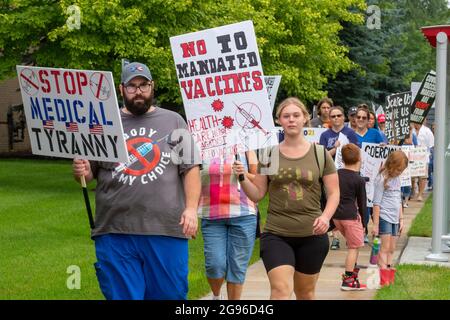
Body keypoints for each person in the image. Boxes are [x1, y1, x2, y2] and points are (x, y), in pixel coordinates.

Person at [72, 62, 201, 300]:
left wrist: (192, 209)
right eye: (132, 86)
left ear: (152, 87)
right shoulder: (103, 123)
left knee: (170, 295)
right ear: (122, 90)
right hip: (114, 229)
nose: (138, 91)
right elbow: (88, 174)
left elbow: (191, 168)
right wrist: (82, 169)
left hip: (166, 228)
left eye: (143, 85)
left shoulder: (174, 121)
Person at [233, 97, 339, 300]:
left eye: (296, 115)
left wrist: (325, 217)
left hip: (312, 235)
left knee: (305, 293)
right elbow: (257, 194)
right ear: (279, 120)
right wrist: (241, 176)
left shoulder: (320, 153)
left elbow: (334, 193)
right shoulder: (269, 154)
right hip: (276, 235)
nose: (291, 120)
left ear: (305, 118)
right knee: (280, 291)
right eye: (286, 116)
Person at [198, 151, 258, 300]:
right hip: (211, 213)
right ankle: (217, 296)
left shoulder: (246, 146)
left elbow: (258, 181)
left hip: (243, 213)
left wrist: (243, 172)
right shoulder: (203, 145)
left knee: (237, 266)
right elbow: (191, 178)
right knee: (214, 264)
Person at [319, 106, 359, 250]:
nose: (336, 118)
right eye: (333, 116)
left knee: (349, 205)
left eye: (338, 115)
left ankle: (350, 235)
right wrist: (335, 148)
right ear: (329, 119)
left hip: (347, 173)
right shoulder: (325, 135)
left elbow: (356, 154)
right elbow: (323, 156)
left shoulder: (350, 133)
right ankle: (335, 237)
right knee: (333, 203)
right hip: (331, 173)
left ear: (344, 117)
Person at [372, 151, 409, 287]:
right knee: (385, 247)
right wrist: (375, 225)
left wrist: (401, 218)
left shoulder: (397, 179)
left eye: (402, 170)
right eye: (399, 169)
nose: (400, 172)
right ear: (392, 165)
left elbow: (398, 200)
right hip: (384, 217)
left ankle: (389, 273)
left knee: (392, 248)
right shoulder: (381, 179)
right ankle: (384, 278)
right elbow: (376, 203)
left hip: (395, 218)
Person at [333, 143, 367, 290]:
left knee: (354, 245)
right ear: (359, 158)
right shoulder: (358, 180)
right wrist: (365, 223)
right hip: (351, 217)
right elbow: (362, 203)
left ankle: (353, 277)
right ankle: (348, 280)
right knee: (353, 247)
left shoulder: (335, 174)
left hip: (336, 216)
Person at [354, 107, 384, 243]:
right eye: (358, 117)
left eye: (363, 118)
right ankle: (363, 230)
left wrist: (383, 147)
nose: (360, 120)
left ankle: (377, 229)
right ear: (355, 118)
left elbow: (383, 153)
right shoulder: (350, 135)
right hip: (356, 175)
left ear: (368, 120)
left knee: (374, 204)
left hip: (373, 175)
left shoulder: (375, 133)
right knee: (361, 204)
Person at [411, 122, 434, 201]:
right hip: (412, 155)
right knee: (412, 176)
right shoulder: (410, 129)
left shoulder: (427, 131)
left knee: (423, 176)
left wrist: (428, 154)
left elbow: (431, 144)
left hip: (423, 156)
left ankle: (420, 194)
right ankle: (413, 190)